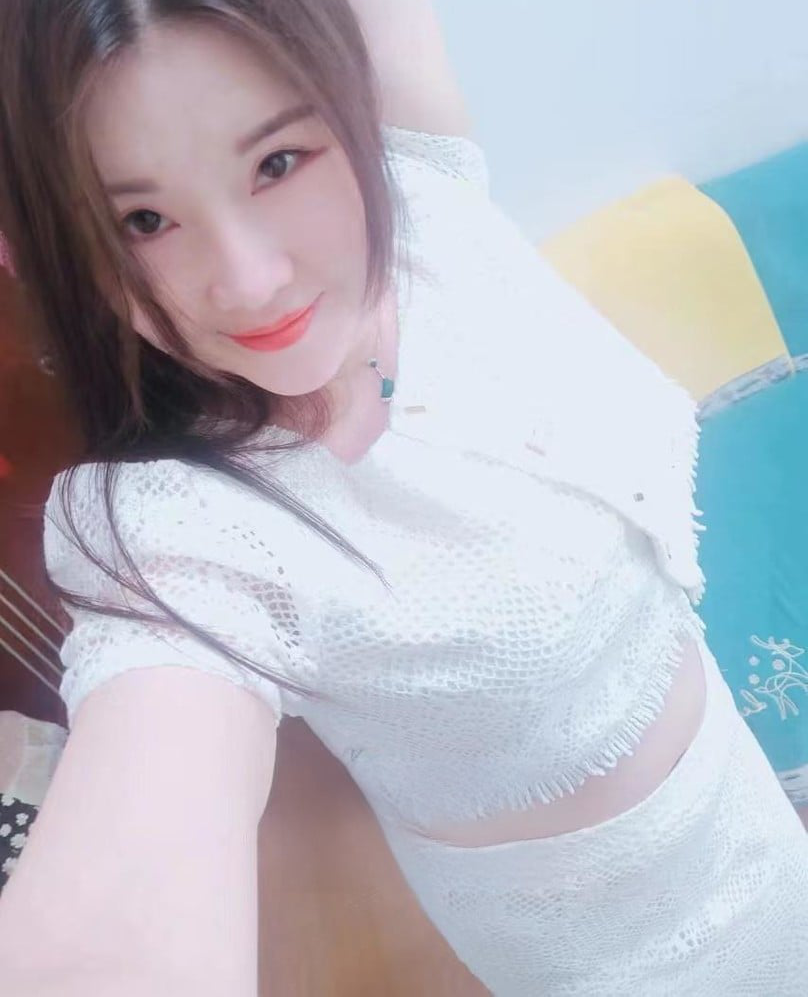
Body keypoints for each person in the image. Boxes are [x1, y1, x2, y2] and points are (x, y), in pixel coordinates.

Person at [0, 2, 805, 994]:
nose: (250, 281)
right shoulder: (181, 528)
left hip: (759, 829)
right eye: (142, 221)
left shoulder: (428, 202)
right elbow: (139, 824)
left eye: (277, 162)